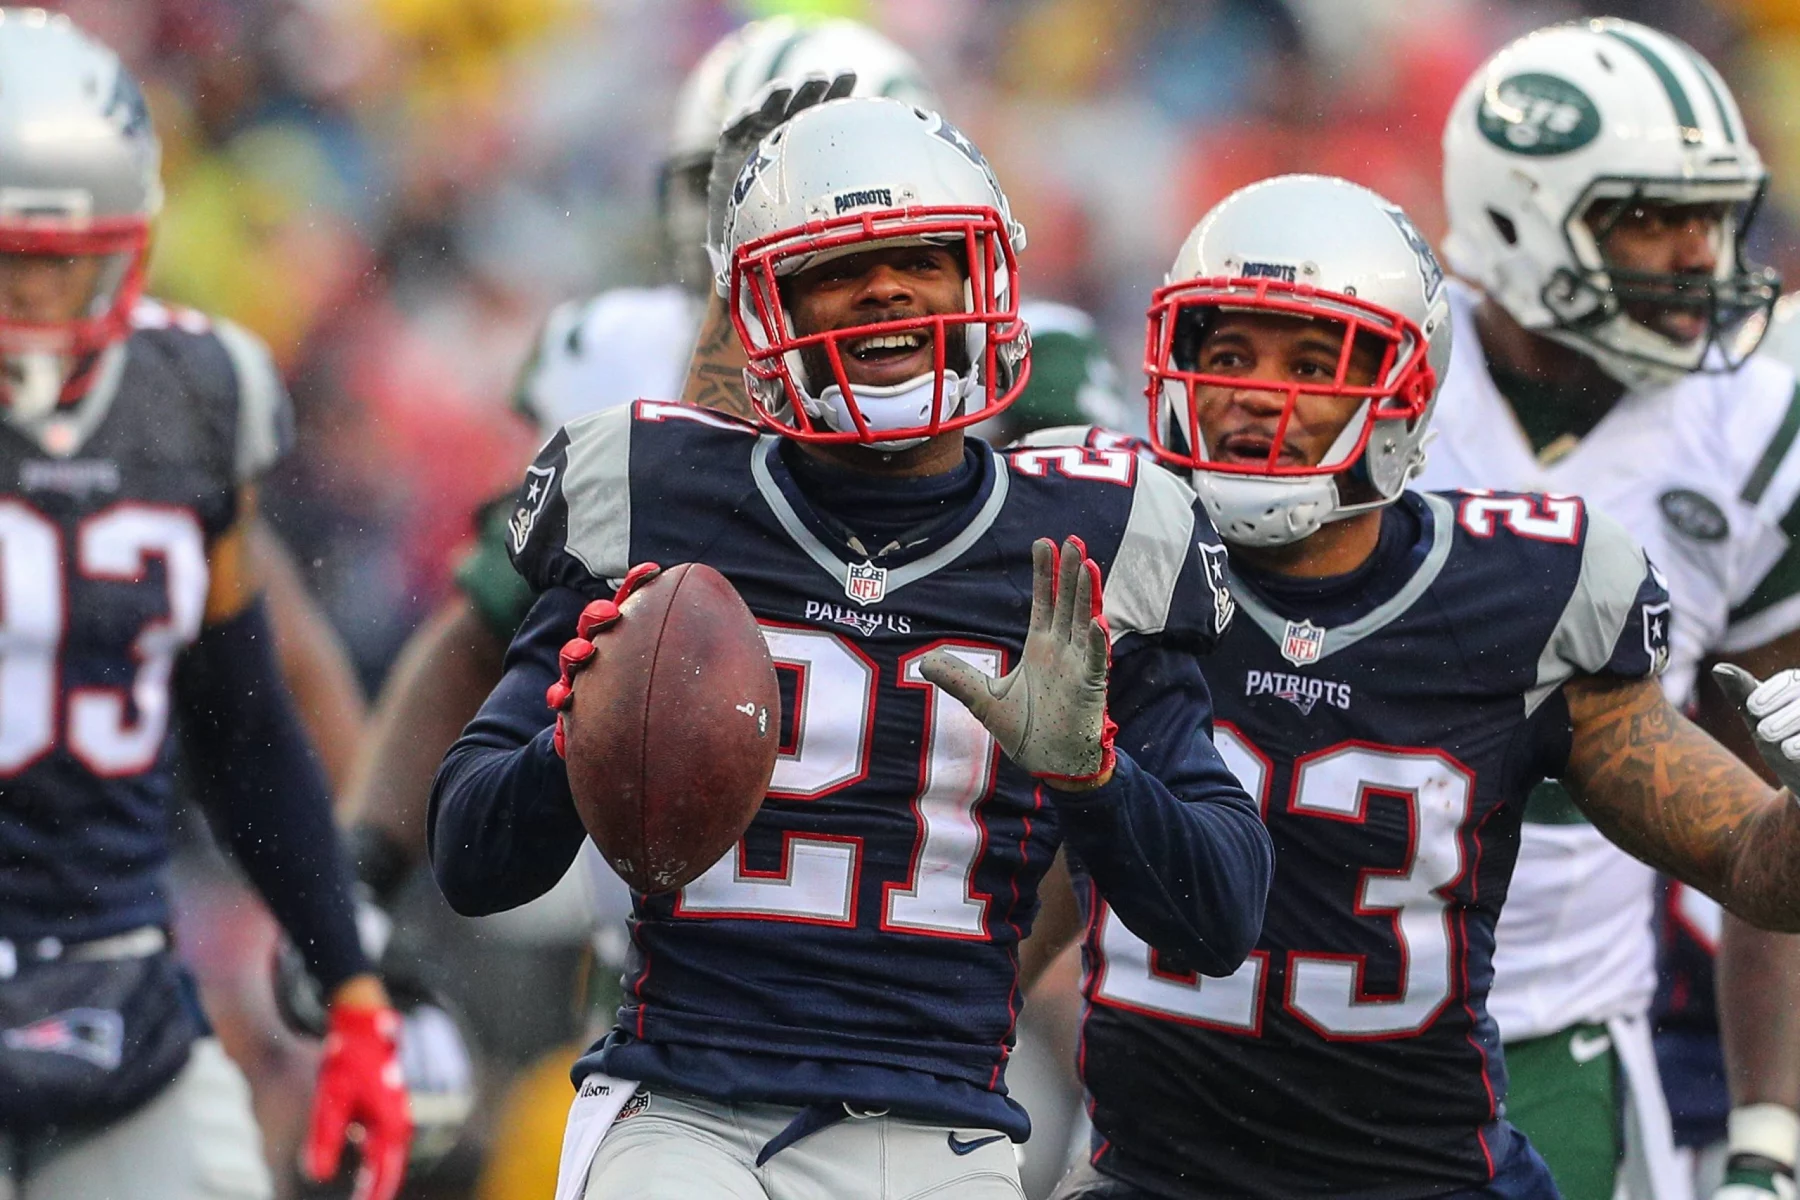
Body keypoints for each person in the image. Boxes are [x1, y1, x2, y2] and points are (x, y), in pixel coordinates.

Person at [430, 96, 1271, 1200]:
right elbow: (471, 856)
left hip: (945, 1125)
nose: (886, 289)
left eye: (922, 258)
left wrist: (1094, 778)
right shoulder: (658, 489)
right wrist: (585, 744)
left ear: (984, 283)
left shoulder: (1095, 539)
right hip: (682, 1104)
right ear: (761, 306)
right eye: (838, 267)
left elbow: (1221, 915)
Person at [1019, 171, 1800, 1200]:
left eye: (1314, 359)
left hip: (1426, 1179)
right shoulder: (1113, 556)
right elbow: (1024, 892)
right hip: (1153, 1176)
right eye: (1229, 352)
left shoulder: (1523, 596)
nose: (1259, 390)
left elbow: (1753, 864)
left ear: (1405, 390)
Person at [0, 11, 410, 1200]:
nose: (27, 300)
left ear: (129, 243)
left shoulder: (194, 395)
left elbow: (242, 719)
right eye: (3, 257)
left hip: (116, 982)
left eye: (57, 258)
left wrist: (352, 984)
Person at [1421, 19, 1800, 1199]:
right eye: (1650, 216)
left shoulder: (1752, 430)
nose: (1699, 254)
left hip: (1564, 1036)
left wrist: (1769, 1134)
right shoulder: (1379, 377)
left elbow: (1771, 806)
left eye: (1712, 214)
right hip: (1286, 1008)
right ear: (1516, 216)